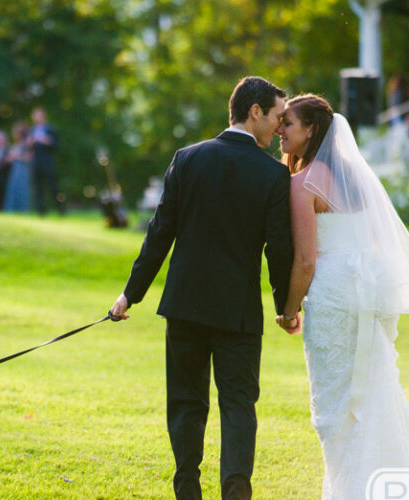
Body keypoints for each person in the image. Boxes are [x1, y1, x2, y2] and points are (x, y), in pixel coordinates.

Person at [109, 76, 294, 500]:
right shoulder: (272, 174)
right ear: (254, 112)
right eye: (277, 117)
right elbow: (278, 252)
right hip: (238, 313)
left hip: (185, 306)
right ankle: (235, 493)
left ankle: (187, 490)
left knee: (187, 402)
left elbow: (159, 234)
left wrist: (129, 295)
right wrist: (286, 306)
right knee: (238, 406)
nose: (279, 128)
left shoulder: (187, 158)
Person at [276, 94, 409, 499]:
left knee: (334, 409)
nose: (280, 130)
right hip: (365, 293)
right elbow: (377, 245)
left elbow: (306, 262)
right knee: (375, 389)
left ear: (311, 130)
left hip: (331, 296)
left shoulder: (302, 183)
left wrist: (289, 310)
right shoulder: (358, 179)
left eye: (288, 124)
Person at [30, 107, 66, 215]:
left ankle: (61, 210)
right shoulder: (32, 130)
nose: (36, 117)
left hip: (48, 161)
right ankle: (41, 211)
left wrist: (47, 141)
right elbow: (29, 148)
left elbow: (56, 146)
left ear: (43, 116)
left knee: (53, 186)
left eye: (38, 114)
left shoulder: (51, 129)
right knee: (38, 187)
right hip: (36, 162)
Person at [3, 122, 33, 212]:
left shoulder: (27, 144)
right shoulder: (16, 144)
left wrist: (16, 157)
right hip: (15, 170)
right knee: (13, 189)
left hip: (23, 170)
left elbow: (29, 158)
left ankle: (23, 209)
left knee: (22, 189)